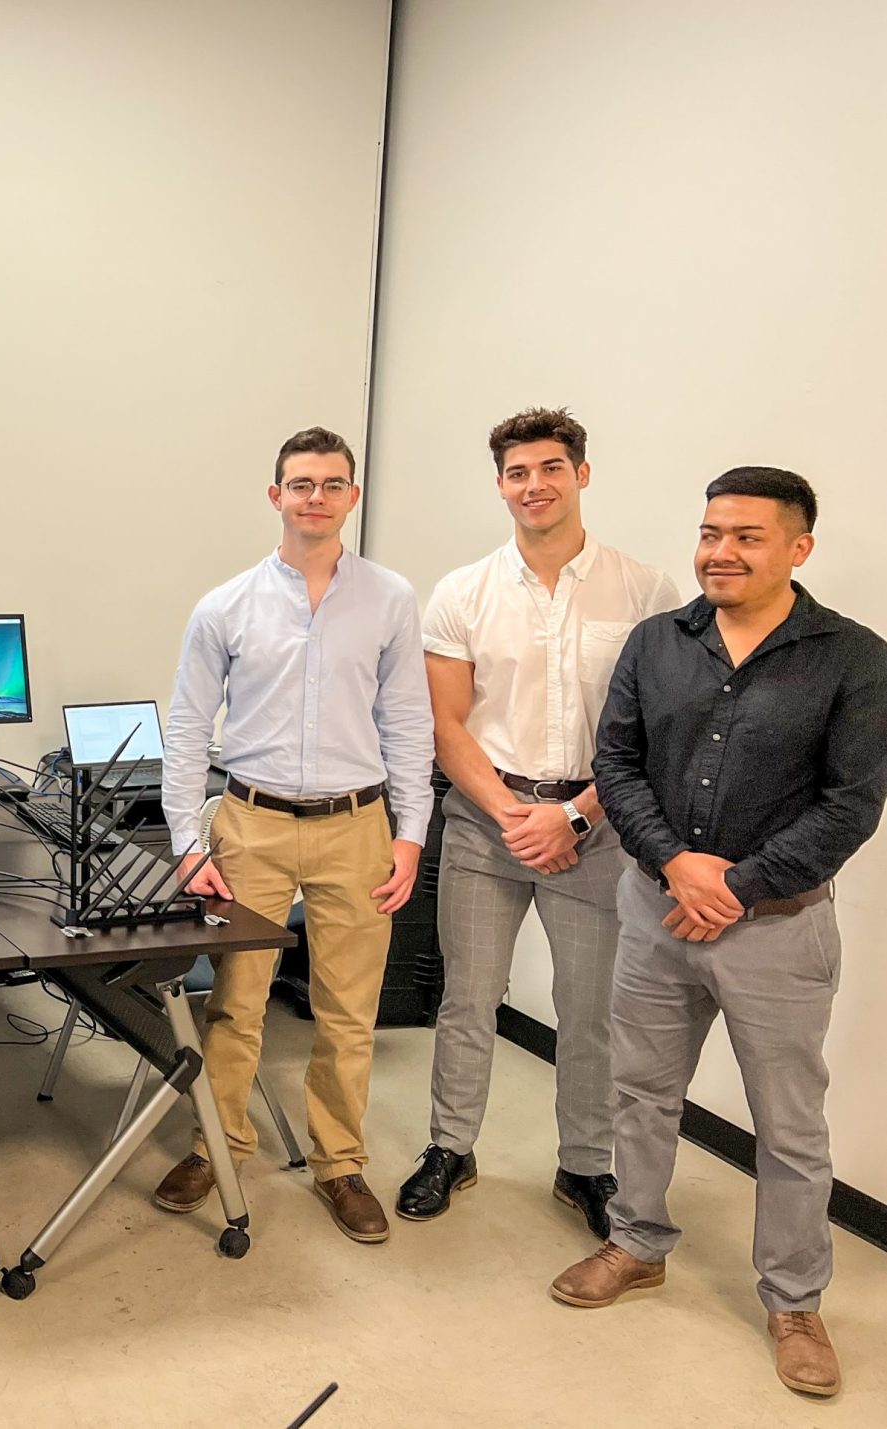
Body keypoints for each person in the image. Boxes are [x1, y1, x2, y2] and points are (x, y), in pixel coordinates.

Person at [550, 468, 887, 1400]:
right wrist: (674, 865)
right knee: (642, 1091)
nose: (719, 551)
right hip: (655, 910)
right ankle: (636, 1242)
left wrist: (733, 886)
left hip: (776, 929)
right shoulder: (657, 642)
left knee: (787, 1125)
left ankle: (792, 1298)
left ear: (796, 548)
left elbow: (852, 804)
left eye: (744, 535)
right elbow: (614, 763)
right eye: (708, 532)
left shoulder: (853, 658)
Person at [398, 409, 681, 1234]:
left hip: (598, 825)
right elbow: (446, 724)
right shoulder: (463, 591)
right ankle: (450, 1146)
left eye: (550, 468)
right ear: (500, 485)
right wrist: (513, 815)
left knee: (589, 1010)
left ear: (581, 475)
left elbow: (653, 730)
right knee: (467, 1000)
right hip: (488, 824)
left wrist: (575, 818)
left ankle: (585, 1166)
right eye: (517, 472)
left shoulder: (644, 589)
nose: (534, 485)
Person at [156, 426, 434, 1243]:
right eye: (300, 483)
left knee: (347, 1013)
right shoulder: (225, 605)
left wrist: (411, 834)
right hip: (251, 825)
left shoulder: (389, 598)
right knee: (236, 1007)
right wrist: (186, 843)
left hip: (358, 827)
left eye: (332, 483)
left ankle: (339, 1164)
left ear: (352, 496)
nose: (316, 496)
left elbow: (408, 723)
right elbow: (185, 729)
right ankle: (217, 1146)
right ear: (274, 495)